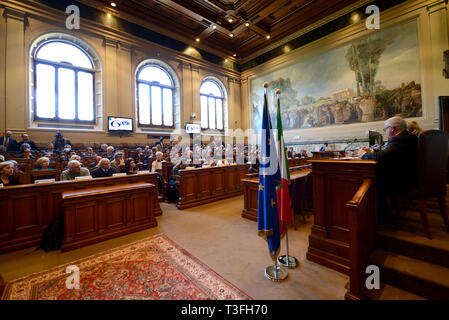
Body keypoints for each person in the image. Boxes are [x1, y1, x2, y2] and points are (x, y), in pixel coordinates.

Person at [359, 116, 418, 220]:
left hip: (404, 179)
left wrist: (364, 155)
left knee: (372, 177)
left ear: (392, 128)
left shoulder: (400, 138)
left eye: (385, 129)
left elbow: (383, 156)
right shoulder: (407, 137)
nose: (385, 132)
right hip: (410, 174)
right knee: (377, 173)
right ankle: (383, 210)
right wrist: (371, 152)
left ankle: (380, 213)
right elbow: (389, 153)